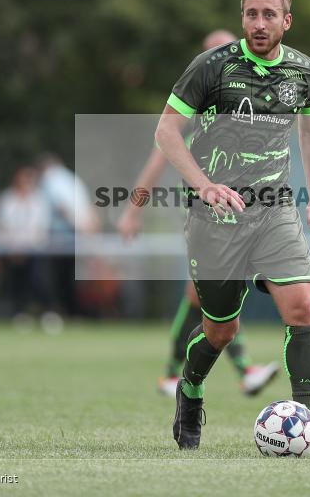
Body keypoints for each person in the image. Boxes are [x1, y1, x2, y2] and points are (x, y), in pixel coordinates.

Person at [155, 0, 310, 452]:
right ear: (242, 18)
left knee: (301, 306)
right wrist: (205, 186)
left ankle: (306, 423)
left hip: (274, 209)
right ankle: (191, 390)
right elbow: (166, 132)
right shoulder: (212, 67)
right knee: (221, 329)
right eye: (250, 14)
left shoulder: (304, 72)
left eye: (268, 14)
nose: (259, 23)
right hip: (214, 217)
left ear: (287, 20)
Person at [117, 28, 280, 399]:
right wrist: (132, 211)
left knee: (201, 295)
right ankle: (238, 371)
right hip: (202, 213)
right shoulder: (194, 104)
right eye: (214, 51)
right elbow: (157, 160)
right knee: (209, 292)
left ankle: (178, 375)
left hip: (237, 213)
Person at [38, 153, 97, 319]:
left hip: (63, 237)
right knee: (69, 277)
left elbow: (63, 206)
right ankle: (72, 313)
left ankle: (59, 311)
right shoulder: (72, 179)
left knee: (57, 278)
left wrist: (80, 227)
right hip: (75, 235)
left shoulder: (52, 179)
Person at [0, 166, 54, 326]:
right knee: (17, 284)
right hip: (13, 251)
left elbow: (41, 227)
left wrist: (28, 246)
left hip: (34, 250)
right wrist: (14, 247)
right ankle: (20, 315)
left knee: (39, 282)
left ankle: (49, 314)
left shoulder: (39, 200)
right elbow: (3, 225)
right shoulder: (7, 199)